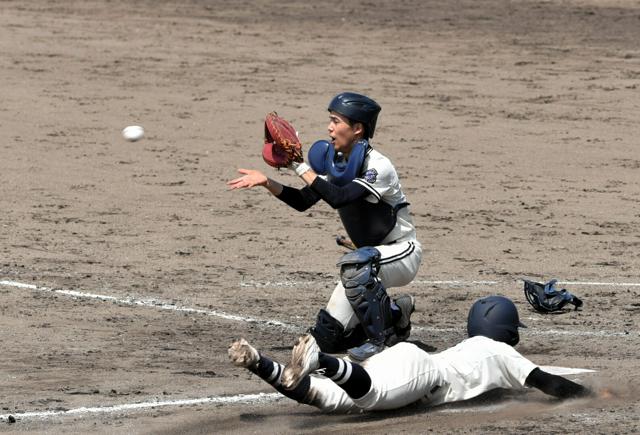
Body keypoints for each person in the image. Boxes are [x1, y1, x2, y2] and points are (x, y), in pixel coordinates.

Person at [227, 92, 423, 359]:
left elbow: (338, 197)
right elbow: (303, 200)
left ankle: (382, 341)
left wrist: (298, 165)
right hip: (367, 259)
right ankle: (397, 313)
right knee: (327, 339)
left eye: (335, 121)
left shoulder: (378, 166)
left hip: (401, 252)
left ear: (357, 129)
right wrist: (267, 183)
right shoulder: (336, 163)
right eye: (329, 120)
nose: (329, 127)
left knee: (355, 268)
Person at [228, 296, 594, 413]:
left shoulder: (471, 346)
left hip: (404, 361)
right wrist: (591, 396)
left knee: (326, 397)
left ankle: (258, 362)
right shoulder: (499, 350)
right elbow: (547, 382)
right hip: (421, 375)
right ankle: (319, 360)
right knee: (369, 395)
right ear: (508, 331)